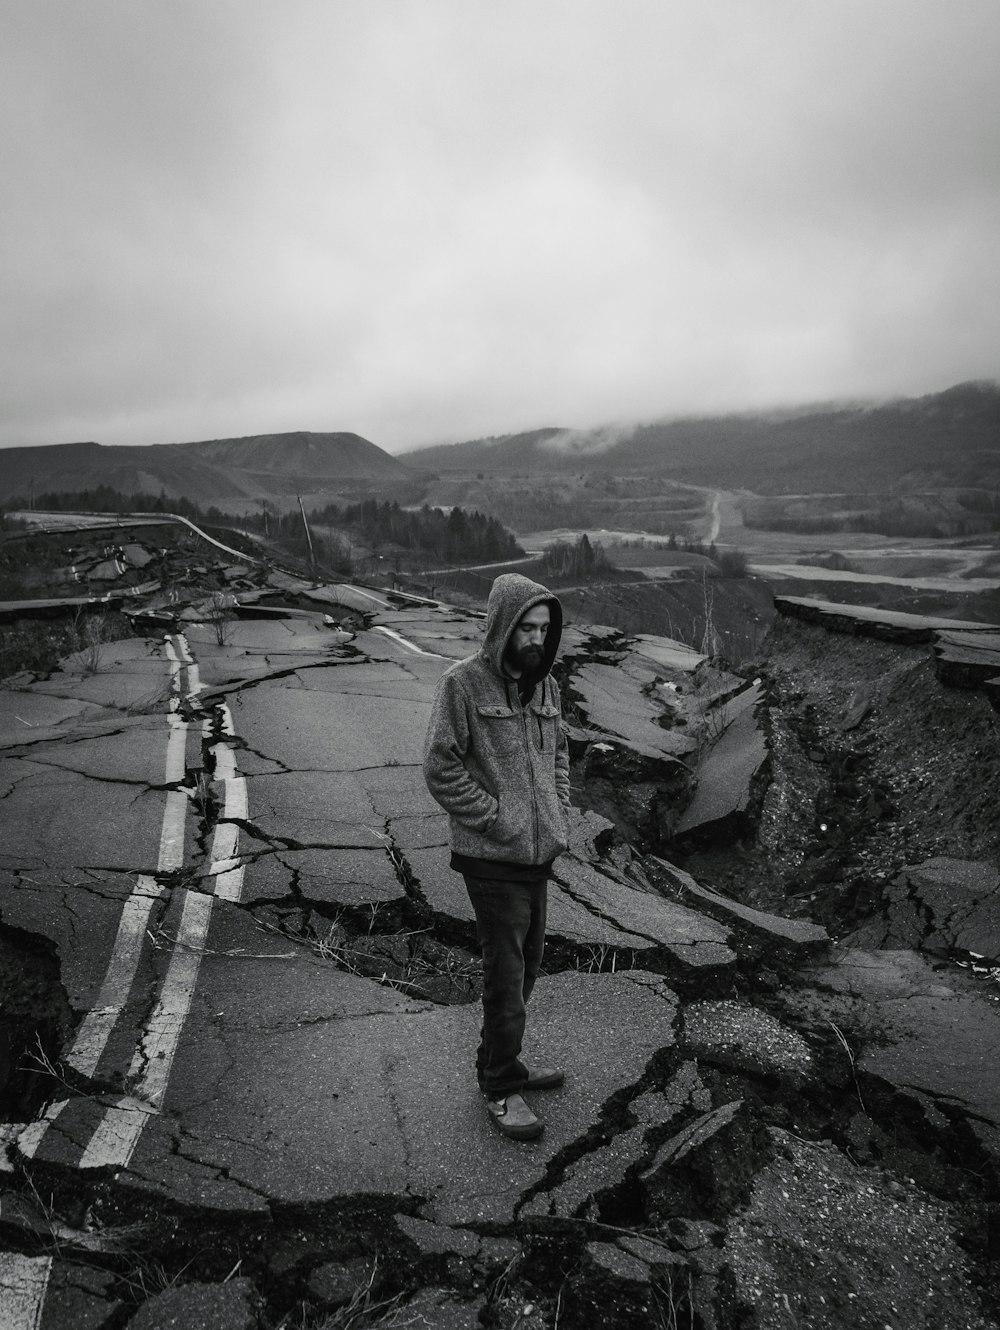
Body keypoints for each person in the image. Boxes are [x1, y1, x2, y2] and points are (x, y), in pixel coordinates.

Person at [423, 573, 571, 1140]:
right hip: (491, 857)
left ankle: (500, 1064)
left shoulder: (547, 687)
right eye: (526, 628)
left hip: (538, 855)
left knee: (528, 966)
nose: (536, 639)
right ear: (502, 627)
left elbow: (559, 756)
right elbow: (441, 766)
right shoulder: (463, 685)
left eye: (544, 629)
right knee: (506, 976)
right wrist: (497, 819)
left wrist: (558, 814)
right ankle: (502, 1089)